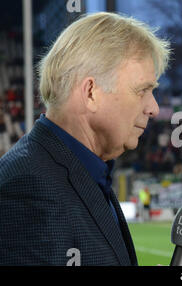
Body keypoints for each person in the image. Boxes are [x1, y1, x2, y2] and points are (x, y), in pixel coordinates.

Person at [0, 12, 170, 265]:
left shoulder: (83, 169)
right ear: (91, 93)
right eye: (142, 90)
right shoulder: (28, 188)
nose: (154, 108)